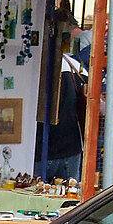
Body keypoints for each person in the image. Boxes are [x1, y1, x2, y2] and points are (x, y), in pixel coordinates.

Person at [37, 52, 87, 182]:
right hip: (71, 148)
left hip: (41, 150)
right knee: (69, 198)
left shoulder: (36, 66)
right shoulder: (76, 67)